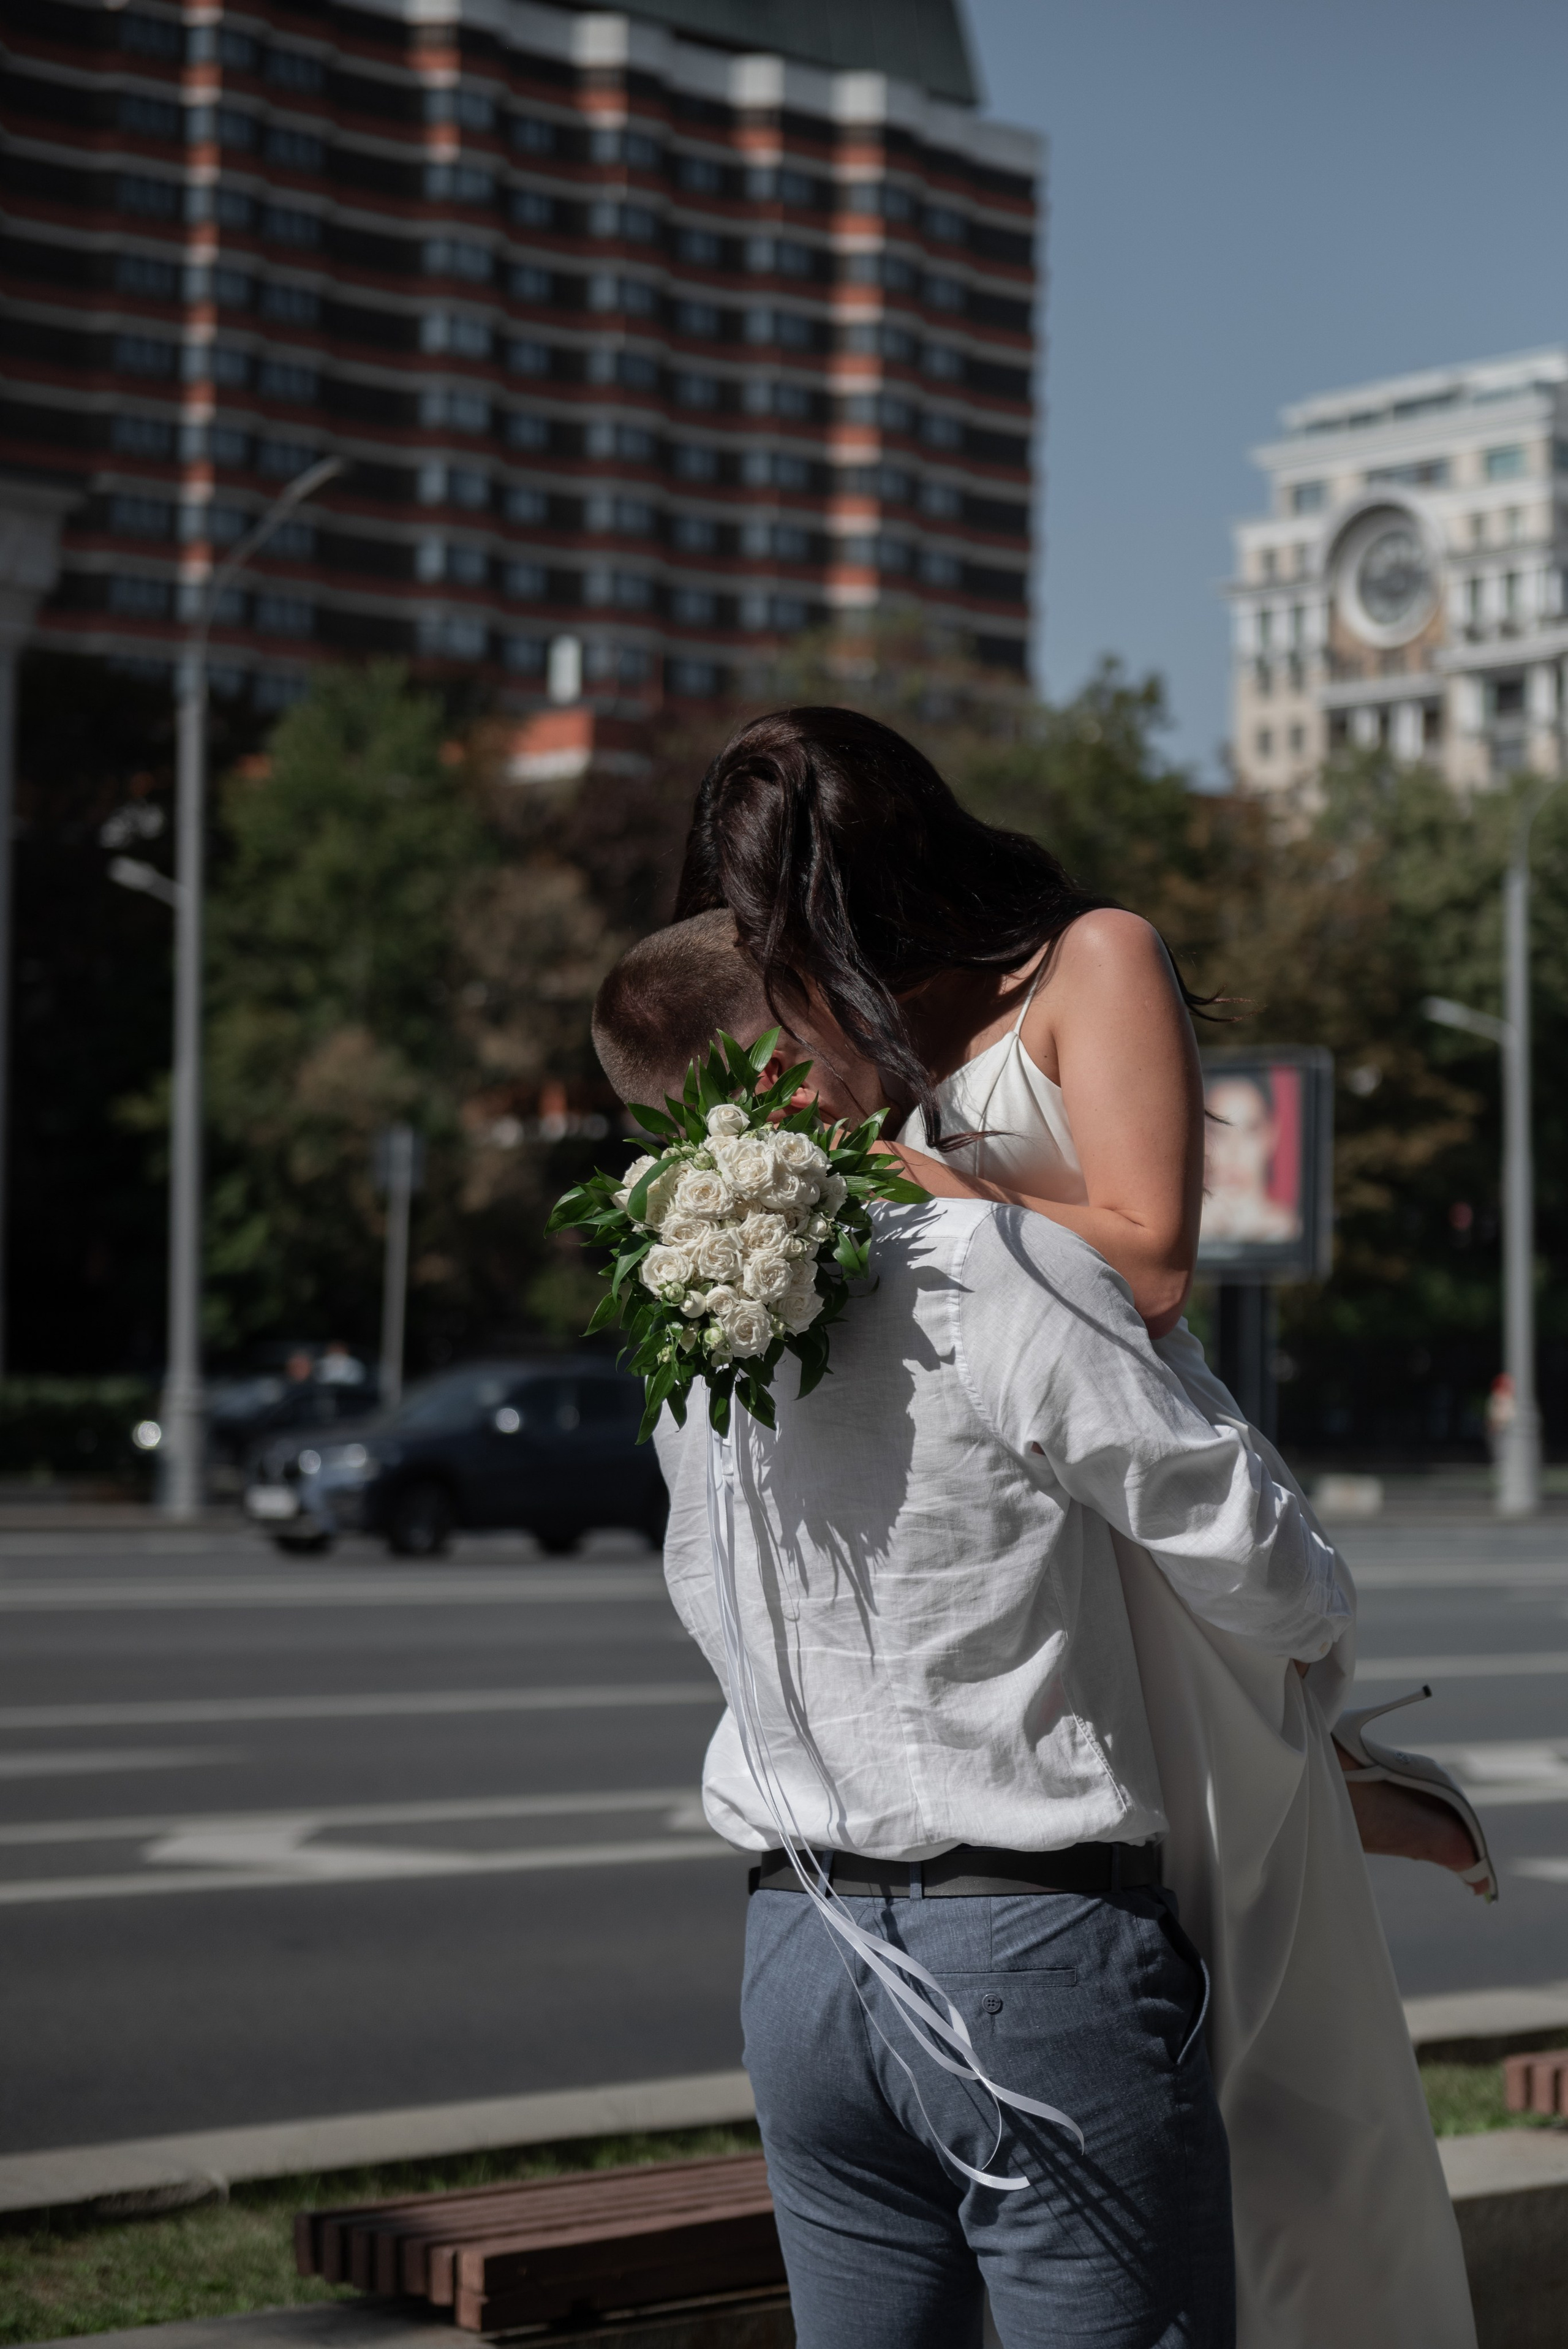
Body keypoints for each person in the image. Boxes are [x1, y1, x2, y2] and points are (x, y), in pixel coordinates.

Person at [667, 708, 1487, 2347]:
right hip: (1004, 1535)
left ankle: (1328, 1775)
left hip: (1124, 1471)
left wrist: (879, 1177)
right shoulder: (842, 1027)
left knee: (1274, 2070)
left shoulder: (1086, 960)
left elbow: (1153, 1249)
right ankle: (1334, 1784)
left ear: (879, 890)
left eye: (796, 938)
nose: (786, 978)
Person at [592, 923, 1363, 2349]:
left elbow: (707, 1590)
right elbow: (1259, 1567)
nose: (880, 1026)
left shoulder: (681, 1323)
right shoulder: (986, 1261)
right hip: (1031, 1956)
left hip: (798, 1948)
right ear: (781, 1062)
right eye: (835, 1006)